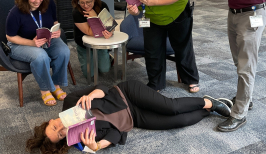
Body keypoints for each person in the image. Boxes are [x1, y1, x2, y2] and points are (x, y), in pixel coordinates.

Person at [25, 80, 232, 153]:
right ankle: (208, 111)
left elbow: (101, 86)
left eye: (54, 128)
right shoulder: (83, 138)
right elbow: (117, 133)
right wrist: (98, 145)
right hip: (135, 117)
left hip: (127, 93)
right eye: (60, 135)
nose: (61, 129)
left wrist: (92, 94)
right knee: (180, 121)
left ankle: (210, 102)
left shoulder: (70, 101)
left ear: (51, 121)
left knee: (171, 108)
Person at [201, 0, 266, 132]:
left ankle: (239, 114)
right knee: (239, 62)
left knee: (246, 65)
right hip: (233, 11)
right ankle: (245, 98)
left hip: (252, 13)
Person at [113, 0, 200, 93]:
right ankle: (156, 83)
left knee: (182, 47)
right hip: (152, 17)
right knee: (152, 50)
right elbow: (139, 3)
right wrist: (134, 10)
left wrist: (156, 2)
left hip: (177, 12)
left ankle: (191, 79)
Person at [6, 0, 70, 106]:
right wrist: (32, 43)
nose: (38, 1)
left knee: (64, 51)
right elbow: (10, 37)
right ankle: (45, 89)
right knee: (41, 56)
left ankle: (56, 85)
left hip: (46, 39)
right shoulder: (15, 12)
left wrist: (57, 31)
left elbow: (54, 22)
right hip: (21, 44)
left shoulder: (49, 3)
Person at [72, 0, 112, 78]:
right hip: (84, 44)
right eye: (82, 2)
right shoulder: (76, 11)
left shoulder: (102, 5)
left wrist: (110, 31)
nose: (85, 5)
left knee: (105, 69)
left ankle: (107, 56)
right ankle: (88, 57)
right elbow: (90, 32)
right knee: (89, 74)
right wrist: (94, 17)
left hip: (100, 41)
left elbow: (110, 25)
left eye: (88, 2)